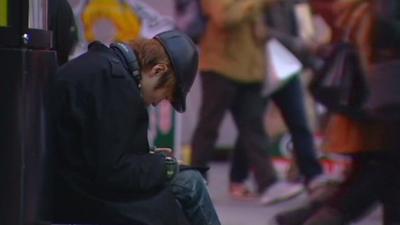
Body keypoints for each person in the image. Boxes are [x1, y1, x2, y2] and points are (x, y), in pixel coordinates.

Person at [50, 30, 221, 225]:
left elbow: (103, 150)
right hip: (82, 197)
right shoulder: (114, 82)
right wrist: (164, 166)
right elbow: (112, 172)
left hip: (75, 185)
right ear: (158, 70)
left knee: (188, 181)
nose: (158, 103)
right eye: (166, 94)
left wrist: (150, 158)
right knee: (190, 185)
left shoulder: (105, 69)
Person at [273, 0, 400, 224]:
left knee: (376, 171)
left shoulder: (361, 7)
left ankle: (309, 215)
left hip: (374, 99)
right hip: (384, 102)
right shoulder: (378, 9)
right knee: (381, 171)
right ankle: (315, 217)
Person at [190, 0, 304, 203]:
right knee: (209, 126)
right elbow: (224, 18)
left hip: (251, 69)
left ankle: (268, 184)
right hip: (220, 67)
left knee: (254, 128)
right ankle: (194, 180)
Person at [229, 0, 331, 205]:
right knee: (253, 124)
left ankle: (313, 176)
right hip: (261, 66)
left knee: (298, 122)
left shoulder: (292, 4)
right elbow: (262, 31)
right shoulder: (260, 4)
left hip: (287, 67)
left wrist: (311, 59)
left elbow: (298, 29)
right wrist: (300, 46)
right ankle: (238, 177)